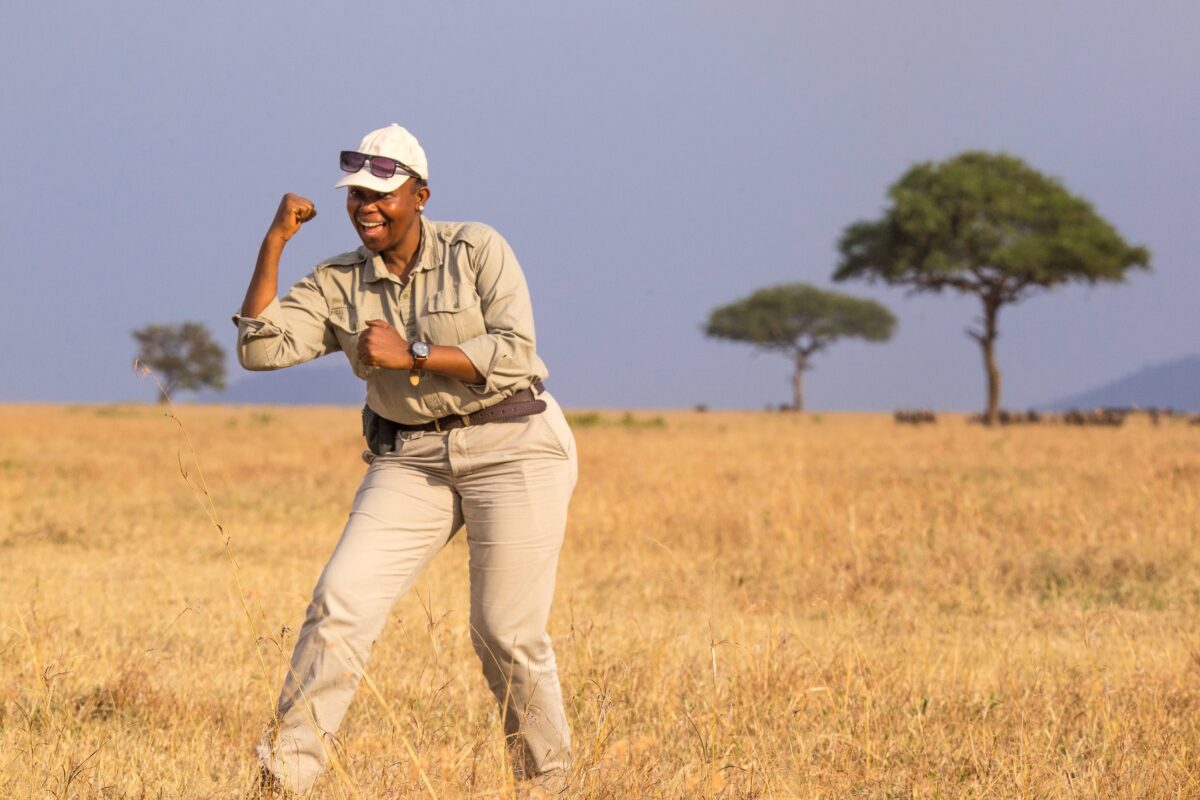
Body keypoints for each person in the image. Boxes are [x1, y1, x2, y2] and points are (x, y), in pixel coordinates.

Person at [234, 124, 577, 795]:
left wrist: (413, 354)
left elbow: (515, 352)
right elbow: (259, 348)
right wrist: (274, 242)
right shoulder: (337, 281)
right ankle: (284, 780)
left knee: (504, 630)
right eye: (356, 194)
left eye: (381, 194)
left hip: (513, 442)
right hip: (411, 456)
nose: (366, 206)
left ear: (420, 195)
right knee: (339, 602)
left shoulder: (476, 248)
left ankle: (548, 783)